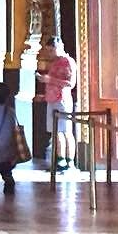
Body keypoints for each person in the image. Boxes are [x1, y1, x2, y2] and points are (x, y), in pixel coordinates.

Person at [46, 38, 77, 172]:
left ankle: (69, 163)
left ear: (60, 47)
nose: (50, 53)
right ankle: (60, 160)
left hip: (62, 101)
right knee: (56, 132)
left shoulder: (68, 62)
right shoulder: (55, 63)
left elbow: (70, 83)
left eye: (52, 50)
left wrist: (49, 80)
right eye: (48, 51)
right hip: (52, 100)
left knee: (65, 131)